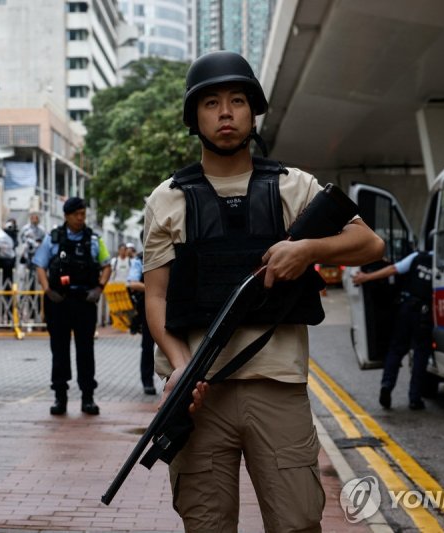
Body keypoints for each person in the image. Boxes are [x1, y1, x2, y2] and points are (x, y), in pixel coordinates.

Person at [142, 51, 384, 531]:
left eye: (237, 101)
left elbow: (369, 242)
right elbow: (156, 298)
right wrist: (178, 362)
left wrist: (307, 250)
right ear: (195, 117)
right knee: (206, 524)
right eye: (211, 103)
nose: (226, 112)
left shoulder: (294, 187)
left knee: (296, 523)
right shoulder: (166, 199)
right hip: (199, 393)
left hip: (278, 390)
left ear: (253, 113)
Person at [33, 197, 112, 415]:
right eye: (77, 214)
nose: (81, 218)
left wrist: (99, 288)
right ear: (66, 216)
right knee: (59, 350)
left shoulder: (94, 240)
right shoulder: (53, 238)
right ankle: (60, 398)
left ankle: (88, 398)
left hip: (84, 301)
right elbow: (39, 265)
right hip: (59, 301)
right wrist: (48, 289)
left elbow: (107, 266)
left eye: (83, 214)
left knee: (85, 350)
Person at [352, 247, 434, 410]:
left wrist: (366, 277)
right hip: (425, 313)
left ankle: (387, 386)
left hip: (406, 307)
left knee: (396, 349)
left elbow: (393, 269)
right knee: (420, 353)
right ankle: (414, 398)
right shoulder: (441, 261)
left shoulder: (417, 257)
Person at [125, 242, 156, 395]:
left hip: (173, 306)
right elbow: (133, 284)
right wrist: (156, 288)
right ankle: (147, 381)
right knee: (148, 345)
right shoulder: (141, 259)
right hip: (149, 306)